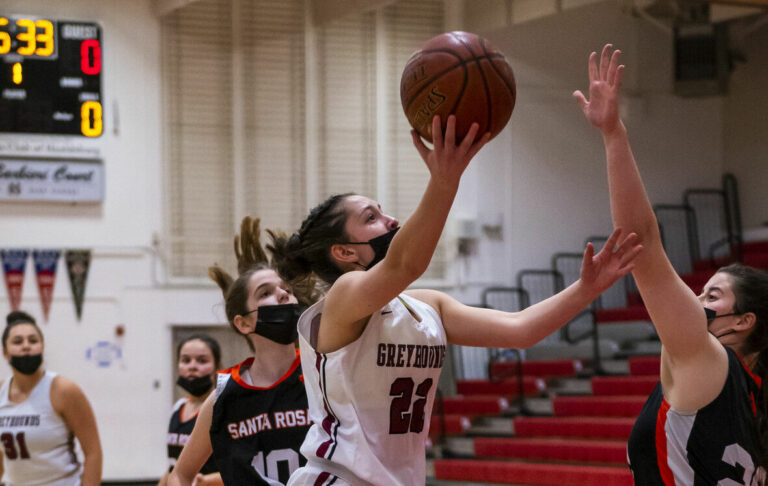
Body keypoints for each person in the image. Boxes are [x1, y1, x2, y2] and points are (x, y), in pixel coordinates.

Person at [268, 114, 643, 486]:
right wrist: (445, 181)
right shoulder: (343, 297)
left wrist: (587, 288)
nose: (391, 220)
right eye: (372, 217)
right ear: (345, 252)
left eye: (383, 211)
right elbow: (405, 264)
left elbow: (520, 330)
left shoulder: (425, 307)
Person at [574, 44, 768, 484]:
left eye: (712, 295)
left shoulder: (707, 360)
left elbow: (642, 244)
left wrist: (613, 134)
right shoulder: (754, 402)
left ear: (743, 322)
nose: (696, 300)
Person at [168, 217, 316, 486]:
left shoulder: (321, 374)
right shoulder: (224, 399)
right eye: (265, 293)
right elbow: (180, 473)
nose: (283, 295)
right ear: (243, 323)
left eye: (287, 289)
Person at [0, 310, 102, 486]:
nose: (26, 345)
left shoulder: (63, 390)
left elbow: (93, 453)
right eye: (18, 341)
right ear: (5, 352)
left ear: (42, 347)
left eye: (33, 340)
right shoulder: (1, 391)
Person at [158, 334, 223, 486]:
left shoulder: (222, 408)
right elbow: (173, 467)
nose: (192, 366)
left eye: (202, 360)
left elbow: (242, 469)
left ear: (217, 367)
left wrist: (206, 481)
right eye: (186, 360)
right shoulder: (178, 408)